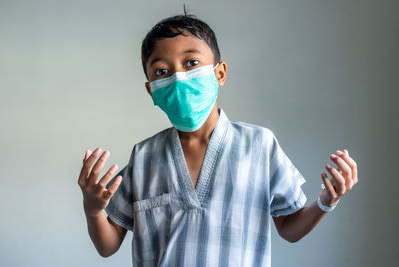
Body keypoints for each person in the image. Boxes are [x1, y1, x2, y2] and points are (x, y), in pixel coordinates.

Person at [77, 10, 358, 267]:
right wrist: (93, 210)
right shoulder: (144, 157)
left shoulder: (259, 146)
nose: (179, 78)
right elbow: (108, 245)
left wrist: (325, 202)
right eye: (162, 71)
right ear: (152, 91)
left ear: (219, 73)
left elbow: (288, 228)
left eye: (191, 62)